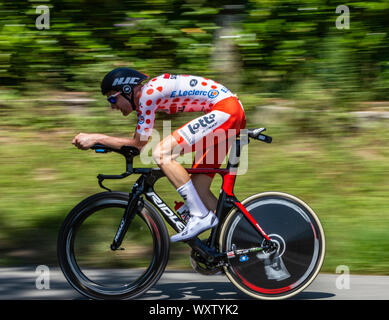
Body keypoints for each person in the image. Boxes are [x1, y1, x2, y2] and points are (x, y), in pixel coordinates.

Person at [72, 67, 246, 242]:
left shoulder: (147, 95)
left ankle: (199, 216)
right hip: (229, 111)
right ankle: (238, 241)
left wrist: (95, 138)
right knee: (199, 189)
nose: (111, 106)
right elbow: (137, 147)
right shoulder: (149, 96)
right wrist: (102, 143)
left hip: (226, 110)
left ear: (126, 90)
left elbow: (138, 145)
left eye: (112, 98)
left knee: (161, 153)